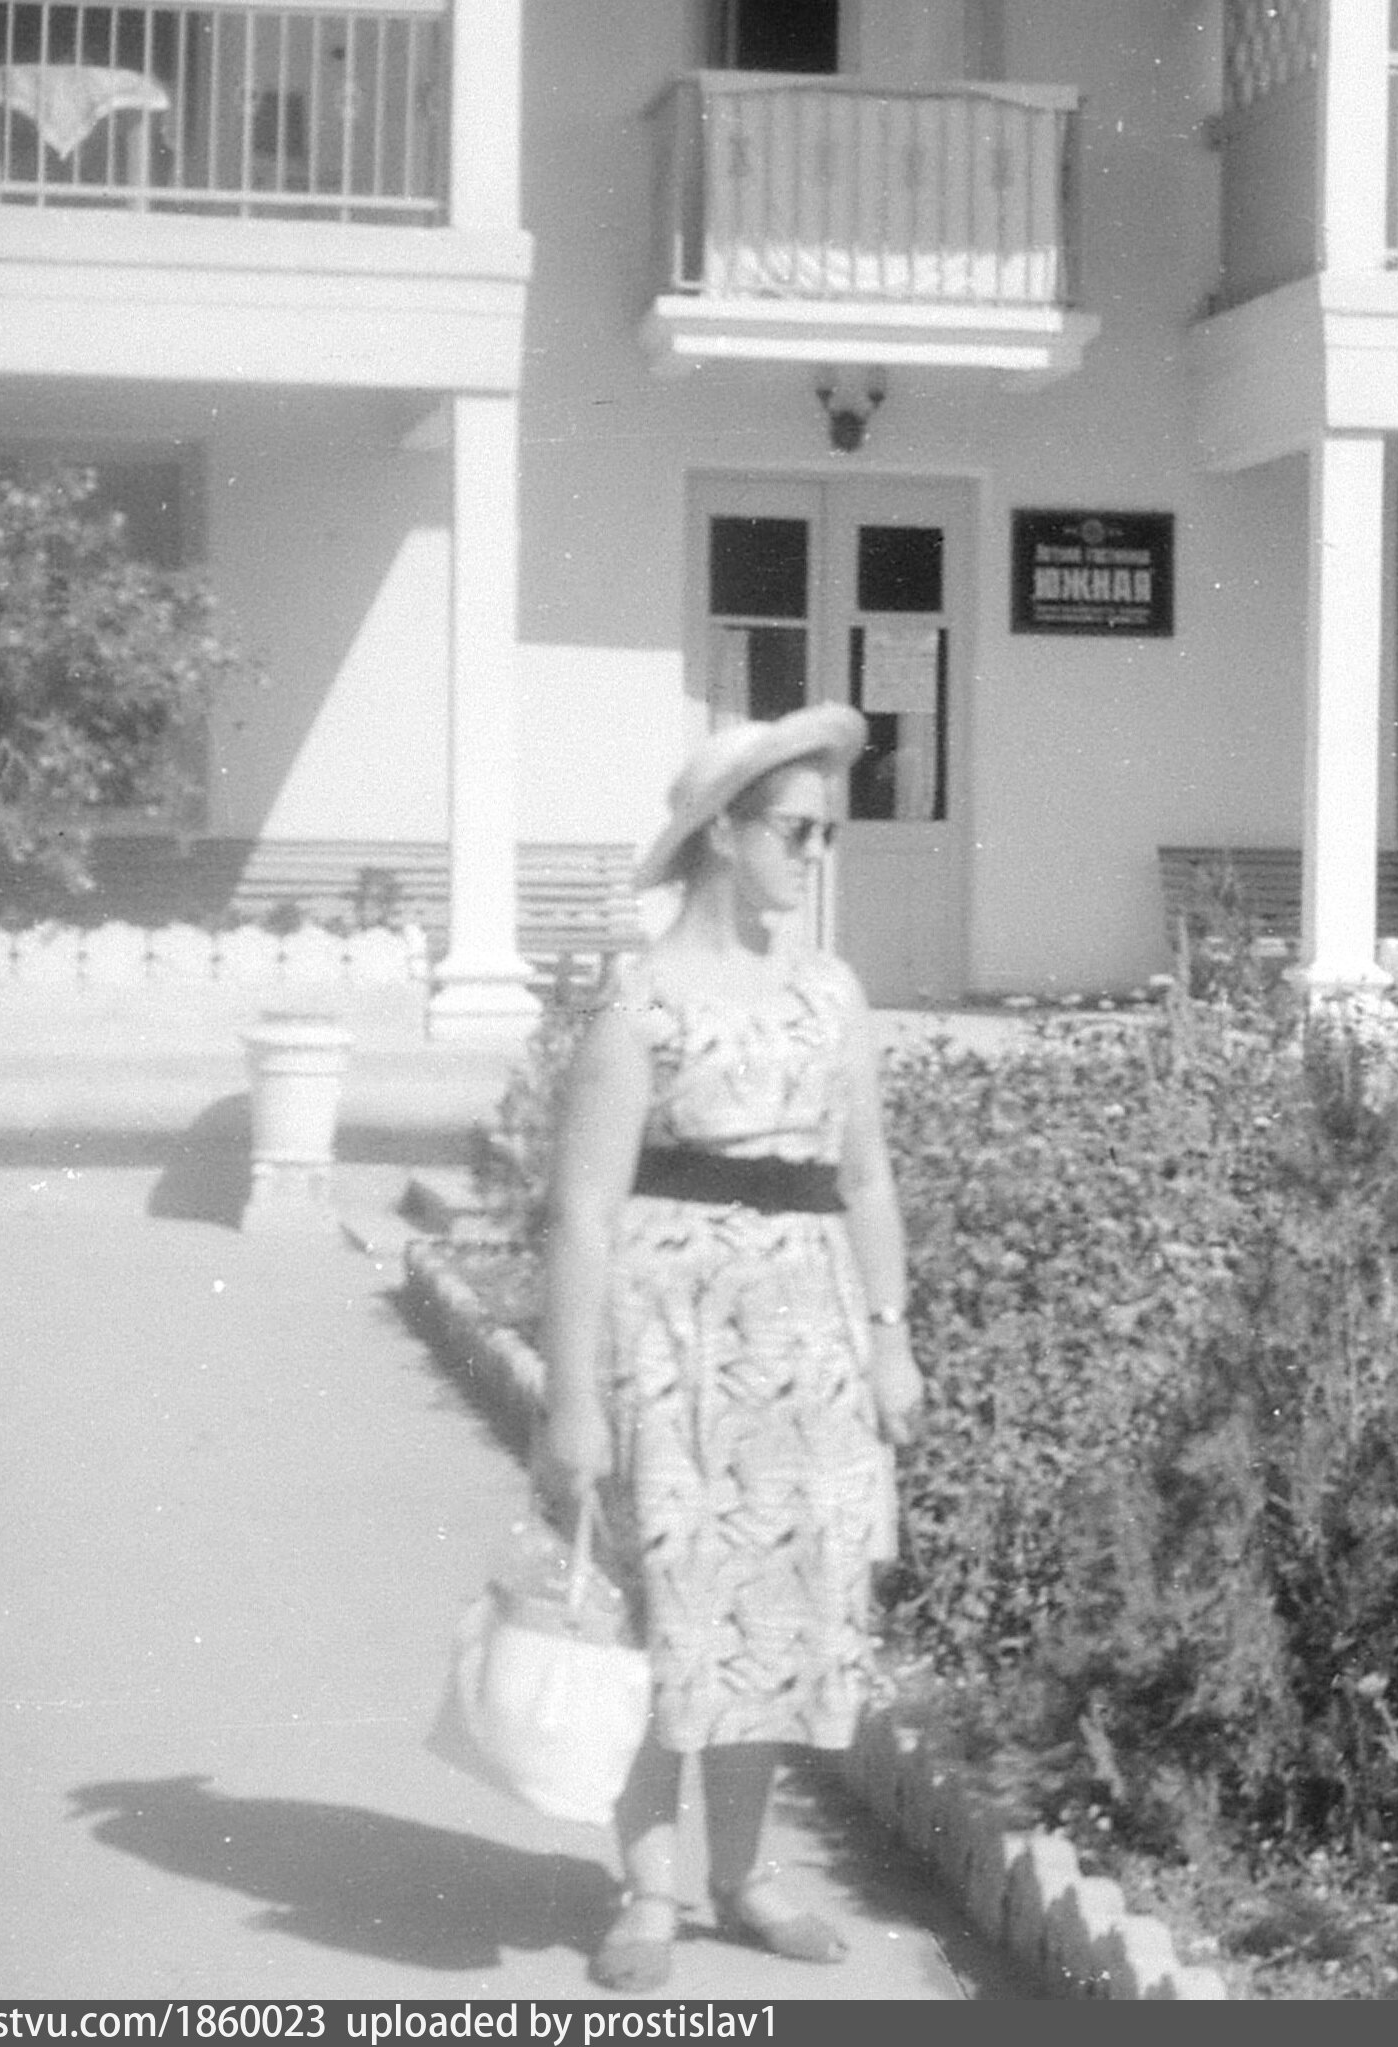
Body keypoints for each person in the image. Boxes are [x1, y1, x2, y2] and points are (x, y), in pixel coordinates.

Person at [532, 704, 927, 1995]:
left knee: (769, 1613)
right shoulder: (641, 1005)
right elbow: (582, 1214)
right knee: (671, 1614)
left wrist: (891, 1342)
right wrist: (573, 1402)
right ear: (722, 834)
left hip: (807, 1342)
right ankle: (648, 1889)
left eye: (825, 833)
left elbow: (866, 1180)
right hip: (670, 1349)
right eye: (796, 831)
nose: (815, 855)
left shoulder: (830, 993)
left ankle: (745, 1876)